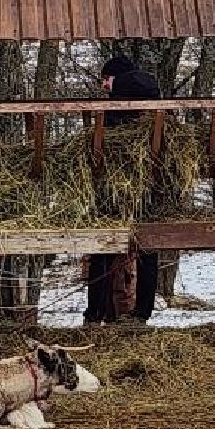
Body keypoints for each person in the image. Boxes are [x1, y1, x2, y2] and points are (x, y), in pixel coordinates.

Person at [85, 55, 161, 325]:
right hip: (149, 183)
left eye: (105, 80)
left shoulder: (118, 99)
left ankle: (95, 313)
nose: (105, 86)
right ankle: (142, 313)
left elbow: (109, 134)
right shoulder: (152, 91)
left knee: (102, 247)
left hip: (116, 181)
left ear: (113, 76)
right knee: (148, 247)